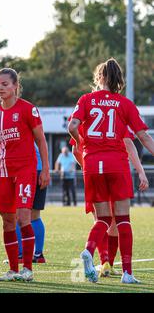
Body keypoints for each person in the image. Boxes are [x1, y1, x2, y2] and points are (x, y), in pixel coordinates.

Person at [68, 58, 154, 284]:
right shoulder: (124, 104)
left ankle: (88, 250)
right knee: (123, 219)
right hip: (116, 163)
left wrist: (81, 143)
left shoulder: (86, 99)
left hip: (92, 164)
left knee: (103, 218)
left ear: (99, 77)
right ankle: (127, 273)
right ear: (119, 79)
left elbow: (72, 127)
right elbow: (143, 137)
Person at [0, 68, 50, 282]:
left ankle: (27, 269)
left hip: (25, 170)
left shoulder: (28, 109)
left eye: (5, 84)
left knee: (23, 217)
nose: (0, 88)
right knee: (7, 221)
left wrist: (45, 169)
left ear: (15, 86)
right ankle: (12, 269)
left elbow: (41, 140)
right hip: (2, 172)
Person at [71, 126, 149, 278]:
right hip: (115, 168)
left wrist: (87, 165)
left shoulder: (85, 115)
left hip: (93, 170)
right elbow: (130, 143)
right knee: (119, 220)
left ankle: (100, 259)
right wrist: (141, 171)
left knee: (101, 220)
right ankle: (117, 268)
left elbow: (75, 148)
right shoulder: (116, 112)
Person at [15, 144, 48, 264]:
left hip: (26, 170)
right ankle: (38, 254)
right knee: (35, 216)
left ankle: (19, 255)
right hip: (39, 169)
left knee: (17, 215)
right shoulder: (36, 126)